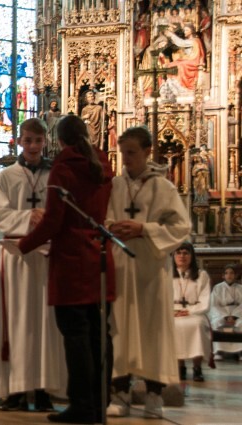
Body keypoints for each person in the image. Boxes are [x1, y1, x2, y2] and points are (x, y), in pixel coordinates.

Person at [16, 114, 114, 424]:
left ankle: (82, 405)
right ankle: (99, 402)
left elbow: (54, 221)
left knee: (76, 337)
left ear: (58, 140)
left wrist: (24, 244)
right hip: (99, 257)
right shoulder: (101, 163)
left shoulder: (64, 168)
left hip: (72, 261)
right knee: (99, 334)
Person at [105, 126, 191, 419]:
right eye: (123, 153)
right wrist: (112, 226)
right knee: (120, 329)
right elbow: (104, 219)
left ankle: (154, 396)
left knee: (153, 331)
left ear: (147, 152)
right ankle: (120, 393)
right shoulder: (115, 185)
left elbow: (181, 227)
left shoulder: (162, 188)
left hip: (151, 269)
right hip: (121, 265)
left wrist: (144, 228)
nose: (126, 158)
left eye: (131, 152)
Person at [0, 118, 66, 411]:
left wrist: (45, 219)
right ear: (19, 141)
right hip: (16, 254)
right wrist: (27, 217)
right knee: (16, 321)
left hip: (46, 255)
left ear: (45, 142)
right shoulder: (6, 176)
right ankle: (15, 390)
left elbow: (64, 210)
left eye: (38, 140)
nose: (33, 146)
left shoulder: (55, 175)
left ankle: (43, 389)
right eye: (28, 140)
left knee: (46, 322)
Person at [172, 242, 211, 382]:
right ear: (173, 256)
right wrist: (173, 311)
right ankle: (180, 366)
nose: (182, 256)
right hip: (173, 313)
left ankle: (197, 367)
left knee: (197, 325)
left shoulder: (201, 275)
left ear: (192, 256)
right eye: (178, 253)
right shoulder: (166, 274)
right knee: (173, 325)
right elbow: (162, 298)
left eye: (185, 253)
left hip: (195, 312)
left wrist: (188, 311)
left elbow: (205, 300)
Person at [210, 264, 242, 359]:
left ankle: (240, 350)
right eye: (227, 273)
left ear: (235, 275)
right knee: (217, 323)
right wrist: (225, 316)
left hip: (238, 313)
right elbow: (214, 305)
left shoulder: (240, 288)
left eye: (232, 273)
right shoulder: (217, 288)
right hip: (221, 313)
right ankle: (219, 350)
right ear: (223, 276)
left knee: (240, 323)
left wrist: (235, 316)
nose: (229, 275)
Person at [164, 24, 205, 91]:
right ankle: (172, 85)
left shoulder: (195, 40)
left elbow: (181, 43)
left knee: (180, 65)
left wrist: (172, 35)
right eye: (184, 30)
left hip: (194, 61)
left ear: (191, 31)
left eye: (186, 30)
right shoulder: (188, 40)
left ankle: (181, 86)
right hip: (187, 59)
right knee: (170, 65)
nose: (184, 32)